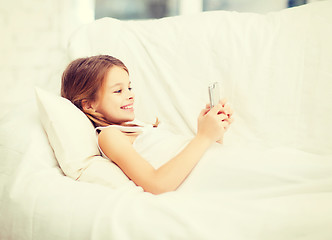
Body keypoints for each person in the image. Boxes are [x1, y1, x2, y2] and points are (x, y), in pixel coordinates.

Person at [61, 55, 234, 194]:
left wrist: (215, 131)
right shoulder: (110, 135)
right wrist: (204, 137)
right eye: (118, 90)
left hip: (219, 166)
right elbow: (157, 184)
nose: (130, 95)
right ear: (89, 104)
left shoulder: (139, 126)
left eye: (129, 87)